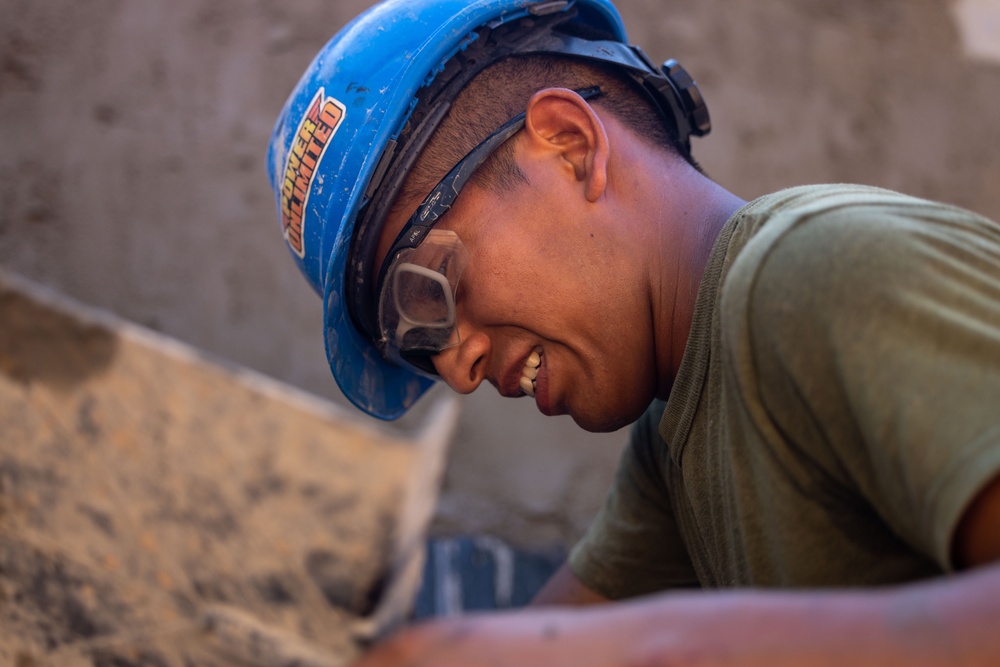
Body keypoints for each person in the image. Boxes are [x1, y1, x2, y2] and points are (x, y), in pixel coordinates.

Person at [266, 0, 1000, 663]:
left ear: (570, 144)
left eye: (429, 290)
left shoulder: (812, 270)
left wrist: (661, 647)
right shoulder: (677, 438)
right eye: (416, 344)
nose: (456, 368)